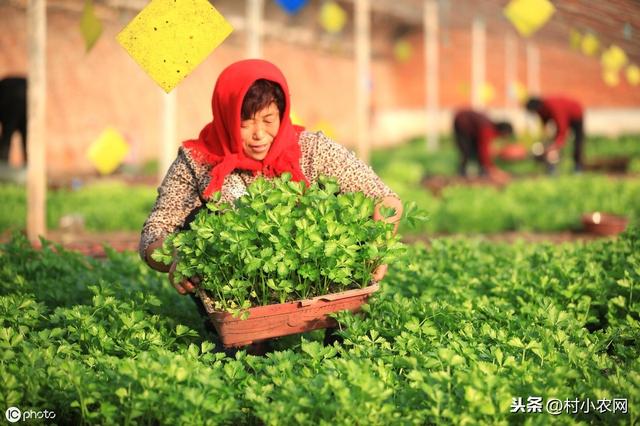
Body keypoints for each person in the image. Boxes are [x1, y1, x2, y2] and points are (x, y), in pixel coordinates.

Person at [139, 59, 402, 351]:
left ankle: (342, 338)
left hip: (319, 281)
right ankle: (244, 342)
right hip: (235, 295)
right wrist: (176, 258)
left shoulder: (310, 149)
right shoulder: (198, 162)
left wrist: (380, 249)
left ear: (282, 112)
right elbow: (155, 231)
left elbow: (385, 199)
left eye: (268, 119)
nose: (259, 134)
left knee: (350, 212)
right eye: (245, 123)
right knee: (245, 357)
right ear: (226, 118)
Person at [452, 109, 514, 184]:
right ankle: (463, 174)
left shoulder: (488, 126)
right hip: (462, 123)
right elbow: (483, 149)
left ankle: (479, 172)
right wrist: (491, 167)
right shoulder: (487, 129)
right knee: (467, 151)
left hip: (466, 124)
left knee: (472, 151)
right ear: (504, 131)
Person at [525, 96, 584, 172]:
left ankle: (578, 166)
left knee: (578, 141)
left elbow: (562, 128)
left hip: (576, 114)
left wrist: (556, 145)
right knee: (551, 143)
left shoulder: (554, 107)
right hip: (562, 117)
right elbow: (544, 125)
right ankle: (551, 167)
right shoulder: (542, 110)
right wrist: (544, 143)